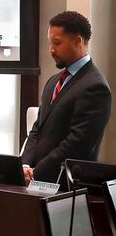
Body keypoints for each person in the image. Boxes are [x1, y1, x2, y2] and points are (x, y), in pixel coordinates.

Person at [22, 11, 111, 184]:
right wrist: (25, 165)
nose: (51, 49)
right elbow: (36, 129)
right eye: (50, 42)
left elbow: (77, 144)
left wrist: (37, 172)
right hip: (35, 183)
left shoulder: (95, 87)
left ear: (78, 41)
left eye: (57, 43)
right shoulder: (53, 81)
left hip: (66, 187)